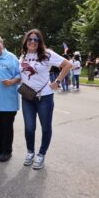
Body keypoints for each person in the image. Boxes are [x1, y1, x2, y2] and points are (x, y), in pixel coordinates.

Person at [19, 29, 72, 170]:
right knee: (29, 128)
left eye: (36, 39)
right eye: (30, 39)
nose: (32, 42)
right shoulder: (23, 55)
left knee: (46, 127)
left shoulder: (47, 54)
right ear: (26, 41)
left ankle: (41, 154)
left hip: (45, 97)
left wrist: (58, 82)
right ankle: (30, 152)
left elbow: (67, 65)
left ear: (39, 41)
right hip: (27, 97)